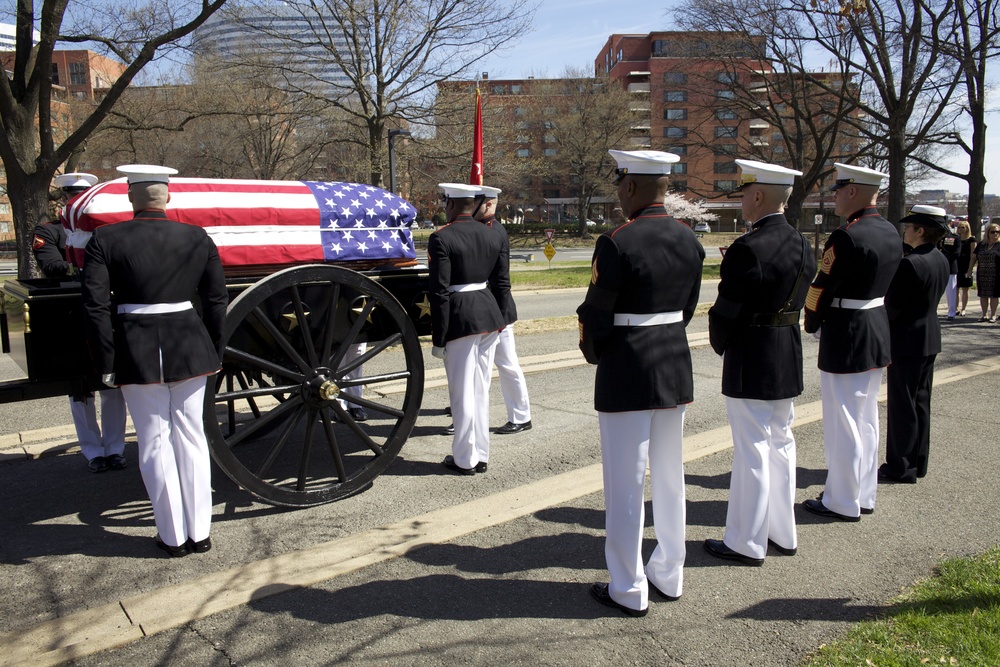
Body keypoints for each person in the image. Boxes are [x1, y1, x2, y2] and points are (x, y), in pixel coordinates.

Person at [578, 149, 704, 616]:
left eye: (618, 185)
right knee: (671, 476)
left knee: (626, 483)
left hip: (628, 366)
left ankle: (628, 588)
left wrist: (595, 353)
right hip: (674, 362)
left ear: (630, 186)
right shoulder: (689, 238)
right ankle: (669, 573)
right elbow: (689, 309)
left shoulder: (616, 241)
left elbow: (596, 313)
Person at [82, 164, 228, 557]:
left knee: (153, 441)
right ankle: (200, 533)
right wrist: (214, 348)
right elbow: (215, 300)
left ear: (131, 197)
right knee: (193, 436)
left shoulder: (105, 239)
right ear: (167, 197)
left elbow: (95, 306)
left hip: (135, 344)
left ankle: (172, 536)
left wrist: (106, 359)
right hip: (190, 343)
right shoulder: (197, 237)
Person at [703, 160, 816, 566]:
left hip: (752, 353)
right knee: (781, 443)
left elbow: (725, 311)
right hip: (786, 350)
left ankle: (746, 542)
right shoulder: (804, 244)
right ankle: (781, 532)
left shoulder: (748, 248)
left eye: (743, 195)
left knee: (751, 448)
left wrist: (722, 343)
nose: (742, 202)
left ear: (756, 196)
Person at [802, 163, 901, 522]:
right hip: (875, 326)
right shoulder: (890, 230)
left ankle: (841, 500)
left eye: (839, 190)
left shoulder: (847, 236)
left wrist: (812, 320)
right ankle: (863, 493)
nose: (836, 197)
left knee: (843, 420)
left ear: (854, 191)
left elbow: (822, 285)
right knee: (867, 419)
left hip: (847, 331)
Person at [33, 172, 129, 474]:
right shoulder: (49, 231)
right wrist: (85, 267)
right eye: (70, 197)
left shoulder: (105, 228)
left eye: (80, 196)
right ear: (64, 201)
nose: (74, 201)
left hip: (105, 309)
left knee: (111, 384)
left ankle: (115, 448)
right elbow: (50, 264)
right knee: (80, 389)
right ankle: (92, 450)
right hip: (70, 314)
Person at [428, 183, 508, 475]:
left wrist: (439, 337)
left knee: (462, 392)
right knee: (480, 389)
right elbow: (500, 280)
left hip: (461, 317)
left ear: (450, 204)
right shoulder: (490, 234)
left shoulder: (442, 238)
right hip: (488, 315)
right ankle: (480, 454)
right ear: (471, 204)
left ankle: (464, 459)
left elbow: (439, 292)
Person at [879, 205, 950, 484]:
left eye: (909, 228)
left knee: (902, 405)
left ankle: (901, 465)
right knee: (921, 402)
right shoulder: (940, 259)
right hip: (929, 337)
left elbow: (893, 306)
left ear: (921, 231)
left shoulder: (910, 263)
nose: (905, 231)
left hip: (907, 340)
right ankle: (918, 461)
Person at [475, 185, 532, 435]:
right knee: (494, 365)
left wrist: (497, 317)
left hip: (497, 310)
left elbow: (501, 280)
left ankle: (520, 416)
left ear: (488, 204)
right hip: (490, 309)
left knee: (505, 365)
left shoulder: (494, 231)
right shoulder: (483, 229)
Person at [966, 222, 1000, 322]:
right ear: (988, 233)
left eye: (998, 232)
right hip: (982, 273)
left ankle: (993, 315)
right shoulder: (981, 245)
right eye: (993, 232)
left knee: (994, 295)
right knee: (983, 294)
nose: (995, 234)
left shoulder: (999, 245)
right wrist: (969, 269)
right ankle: (984, 314)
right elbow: (973, 257)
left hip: (996, 274)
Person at [937, 220, 960, 320]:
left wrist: (945, 259)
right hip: (939, 267)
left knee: (951, 291)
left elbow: (956, 253)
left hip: (950, 267)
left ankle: (951, 312)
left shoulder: (955, 238)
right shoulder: (938, 239)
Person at [955, 220, 977, 316]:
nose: (960, 229)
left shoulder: (971, 240)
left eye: (962, 227)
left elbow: (973, 255)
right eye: (959, 227)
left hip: (966, 266)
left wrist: (970, 268)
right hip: (956, 266)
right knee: (955, 288)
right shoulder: (956, 239)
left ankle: (963, 308)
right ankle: (956, 308)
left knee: (965, 289)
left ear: (967, 228)